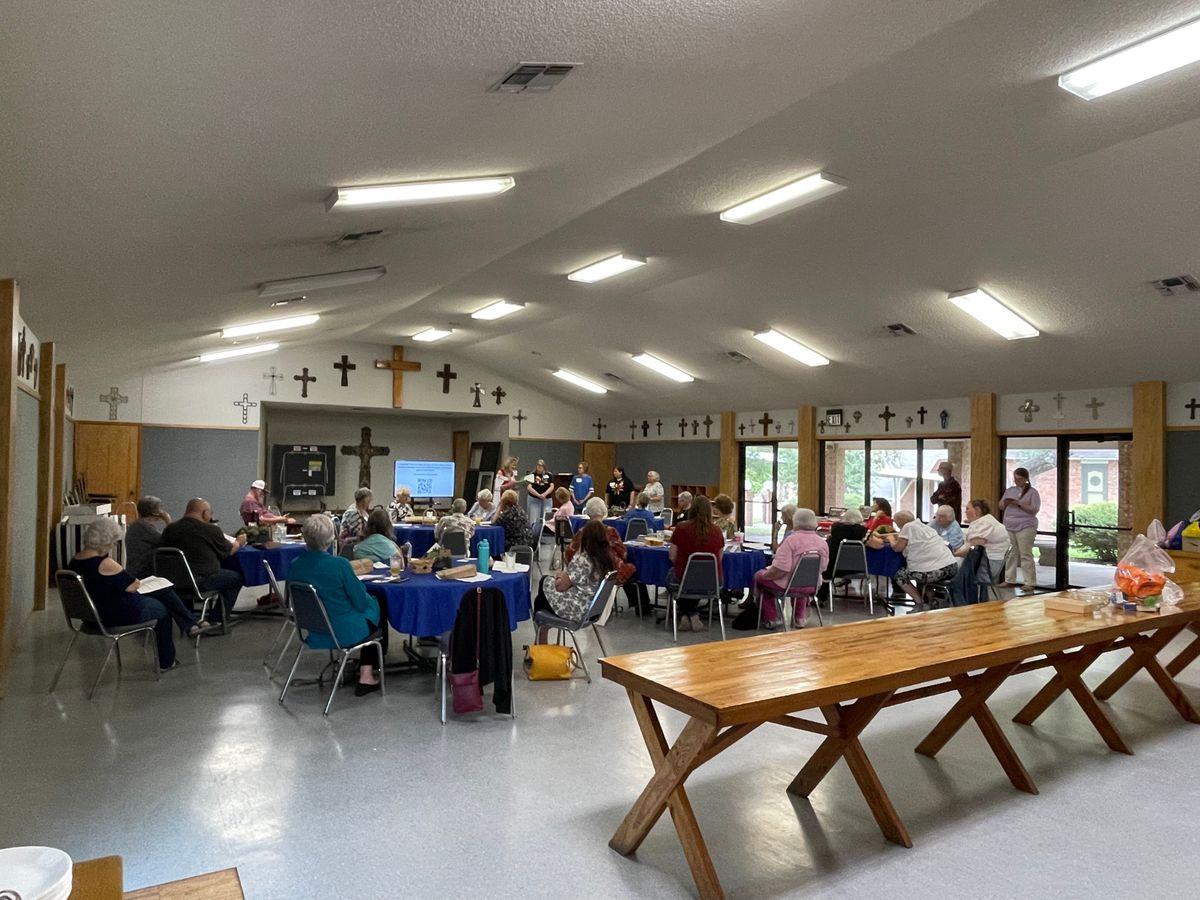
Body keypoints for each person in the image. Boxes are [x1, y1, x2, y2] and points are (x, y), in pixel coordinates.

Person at [70, 518, 210, 670]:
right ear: (106, 541)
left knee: (164, 591)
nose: (112, 546)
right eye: (113, 543)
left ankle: (190, 625)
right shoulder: (105, 563)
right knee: (162, 608)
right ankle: (168, 659)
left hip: (92, 616)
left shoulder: (74, 561)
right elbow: (133, 585)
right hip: (113, 615)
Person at [286, 514, 387, 696]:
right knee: (377, 606)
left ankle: (355, 665)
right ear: (331, 538)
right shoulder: (339, 565)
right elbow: (361, 603)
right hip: (341, 631)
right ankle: (366, 674)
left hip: (313, 630)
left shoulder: (294, 565)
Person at [161, 498, 247, 622]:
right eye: (210, 512)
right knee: (237, 578)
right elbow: (228, 551)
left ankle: (190, 618)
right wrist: (239, 542)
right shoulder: (210, 529)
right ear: (205, 513)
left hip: (173, 581)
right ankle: (216, 619)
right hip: (200, 581)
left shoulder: (169, 529)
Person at [534, 519, 615, 643]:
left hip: (576, 609)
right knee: (542, 598)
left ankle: (540, 637)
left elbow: (560, 586)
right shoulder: (606, 560)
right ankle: (541, 634)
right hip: (591, 609)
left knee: (544, 582)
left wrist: (559, 576)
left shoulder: (583, 559)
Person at [567, 497, 647, 614]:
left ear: (588, 512)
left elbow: (569, 554)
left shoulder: (581, 532)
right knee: (633, 568)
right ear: (604, 511)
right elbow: (623, 553)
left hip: (587, 575)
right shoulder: (610, 531)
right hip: (609, 574)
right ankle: (641, 605)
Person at [754, 508, 829, 628]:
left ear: (796, 521)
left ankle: (772, 618)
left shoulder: (791, 541)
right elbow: (824, 567)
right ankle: (799, 618)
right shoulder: (822, 543)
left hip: (787, 585)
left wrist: (766, 575)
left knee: (760, 578)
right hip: (812, 586)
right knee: (800, 581)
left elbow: (781, 569)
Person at [875, 510, 959, 607]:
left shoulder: (907, 527)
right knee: (920, 571)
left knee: (900, 575)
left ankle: (919, 602)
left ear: (900, 522)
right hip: (951, 566)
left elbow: (897, 548)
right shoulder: (925, 527)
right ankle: (932, 600)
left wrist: (891, 539)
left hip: (934, 571)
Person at [668, 495, 724, 631]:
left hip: (685, 580)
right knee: (694, 582)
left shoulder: (681, 528)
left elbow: (672, 556)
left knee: (671, 577)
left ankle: (688, 614)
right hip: (713, 582)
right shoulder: (717, 531)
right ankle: (691, 614)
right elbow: (719, 558)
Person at [999, 467, 1041, 592]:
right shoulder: (1010, 490)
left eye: (1020, 479)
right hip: (1009, 525)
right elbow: (1000, 506)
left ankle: (1029, 582)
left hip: (1026, 526)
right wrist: (1006, 502)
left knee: (1025, 554)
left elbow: (1034, 509)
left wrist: (1018, 503)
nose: (1017, 481)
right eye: (1015, 479)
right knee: (1011, 553)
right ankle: (1009, 579)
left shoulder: (1032, 492)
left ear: (1026, 479)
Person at [821, 507, 869, 602]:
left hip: (834, 568)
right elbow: (876, 545)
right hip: (858, 568)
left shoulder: (835, 528)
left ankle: (822, 596)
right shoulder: (863, 531)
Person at [955, 499, 1010, 574]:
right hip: (986, 562)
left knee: (947, 567)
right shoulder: (986, 521)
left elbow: (973, 549)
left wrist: (954, 553)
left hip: (986, 566)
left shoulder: (983, 524)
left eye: (968, 509)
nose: (965, 512)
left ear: (977, 510)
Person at [125, 495, 171, 578]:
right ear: (155, 512)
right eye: (161, 508)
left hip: (135, 572)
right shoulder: (144, 528)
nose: (163, 511)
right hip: (143, 574)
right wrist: (168, 520)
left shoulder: (137, 525)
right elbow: (169, 541)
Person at [526, 459, 555, 526]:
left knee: (546, 518)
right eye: (538, 465)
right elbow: (529, 487)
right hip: (534, 499)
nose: (539, 467)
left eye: (541, 465)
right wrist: (538, 495)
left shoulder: (549, 475)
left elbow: (552, 487)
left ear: (544, 467)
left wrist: (545, 494)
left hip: (546, 499)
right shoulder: (532, 475)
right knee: (534, 519)